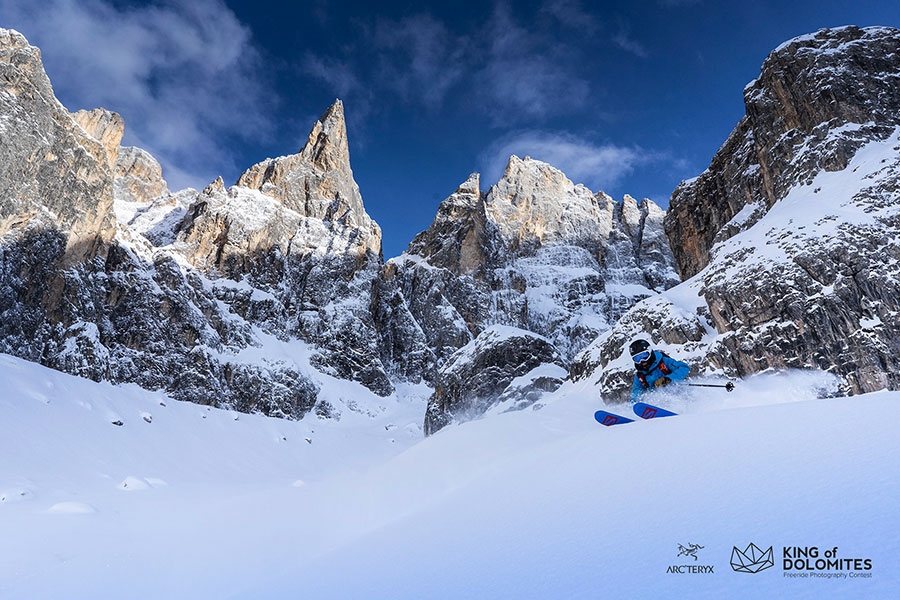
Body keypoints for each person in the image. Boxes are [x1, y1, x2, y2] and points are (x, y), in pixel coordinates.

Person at [629, 338, 690, 404]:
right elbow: (636, 392)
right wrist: (633, 404)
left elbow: (684, 367)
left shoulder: (664, 361)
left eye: (644, 356)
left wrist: (668, 379)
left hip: (680, 393)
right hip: (661, 401)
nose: (642, 361)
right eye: (637, 359)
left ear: (650, 352)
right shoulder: (640, 376)